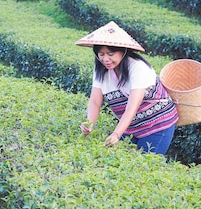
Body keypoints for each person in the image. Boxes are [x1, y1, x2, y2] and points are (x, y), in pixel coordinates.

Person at [76, 21, 178, 155]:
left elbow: (132, 107)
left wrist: (116, 134)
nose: (105, 59)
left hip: (157, 124)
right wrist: (89, 124)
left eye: (110, 54)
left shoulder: (138, 67)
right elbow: (95, 101)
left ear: (123, 52)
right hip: (132, 125)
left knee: (144, 165)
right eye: (101, 54)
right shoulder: (100, 69)